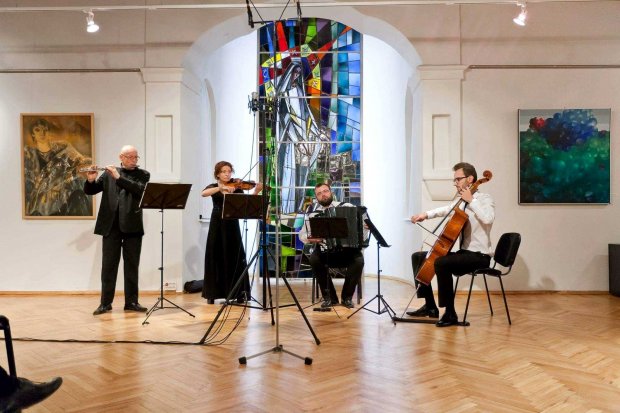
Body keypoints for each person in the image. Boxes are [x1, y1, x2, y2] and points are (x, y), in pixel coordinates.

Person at [409, 162, 495, 327]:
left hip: (479, 256)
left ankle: (450, 313)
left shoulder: (485, 199)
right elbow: (446, 209)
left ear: (470, 179)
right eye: (454, 180)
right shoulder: (462, 201)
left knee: (442, 263)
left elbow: (488, 219)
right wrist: (424, 215)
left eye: (458, 179)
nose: (455, 183)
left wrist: (472, 201)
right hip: (464, 254)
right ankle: (430, 306)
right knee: (419, 257)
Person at [84, 145, 150, 316]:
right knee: (108, 266)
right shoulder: (107, 174)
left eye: (136, 157)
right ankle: (105, 303)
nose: (134, 160)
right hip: (110, 226)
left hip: (132, 226)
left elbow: (139, 189)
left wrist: (118, 176)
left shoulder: (143, 174)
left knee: (131, 266)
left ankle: (132, 302)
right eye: (130, 157)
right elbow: (91, 191)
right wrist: (91, 179)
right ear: (121, 156)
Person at [298, 183, 368, 309]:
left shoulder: (347, 207)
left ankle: (347, 298)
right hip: (325, 251)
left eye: (325, 191)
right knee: (314, 259)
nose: (323, 195)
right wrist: (310, 239)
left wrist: (365, 227)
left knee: (358, 260)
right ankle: (330, 298)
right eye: (319, 193)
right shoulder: (313, 215)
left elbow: (362, 224)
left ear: (331, 192)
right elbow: (302, 235)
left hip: (348, 251)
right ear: (316, 198)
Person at [201, 161, 262, 304]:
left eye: (229, 171)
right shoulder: (214, 187)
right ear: (218, 174)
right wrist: (220, 188)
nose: (227, 174)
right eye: (224, 171)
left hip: (232, 225)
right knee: (215, 255)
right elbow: (203, 193)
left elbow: (248, 205)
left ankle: (239, 293)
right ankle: (213, 294)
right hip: (217, 225)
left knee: (236, 256)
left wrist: (256, 191)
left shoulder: (237, 188)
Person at [23, 118, 92, 217]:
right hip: (41, 204)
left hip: (64, 195)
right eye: (37, 130)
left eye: (45, 129)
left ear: (49, 131)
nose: (42, 133)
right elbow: (30, 184)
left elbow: (81, 161)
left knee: (78, 193)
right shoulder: (30, 155)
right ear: (33, 134)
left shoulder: (63, 148)